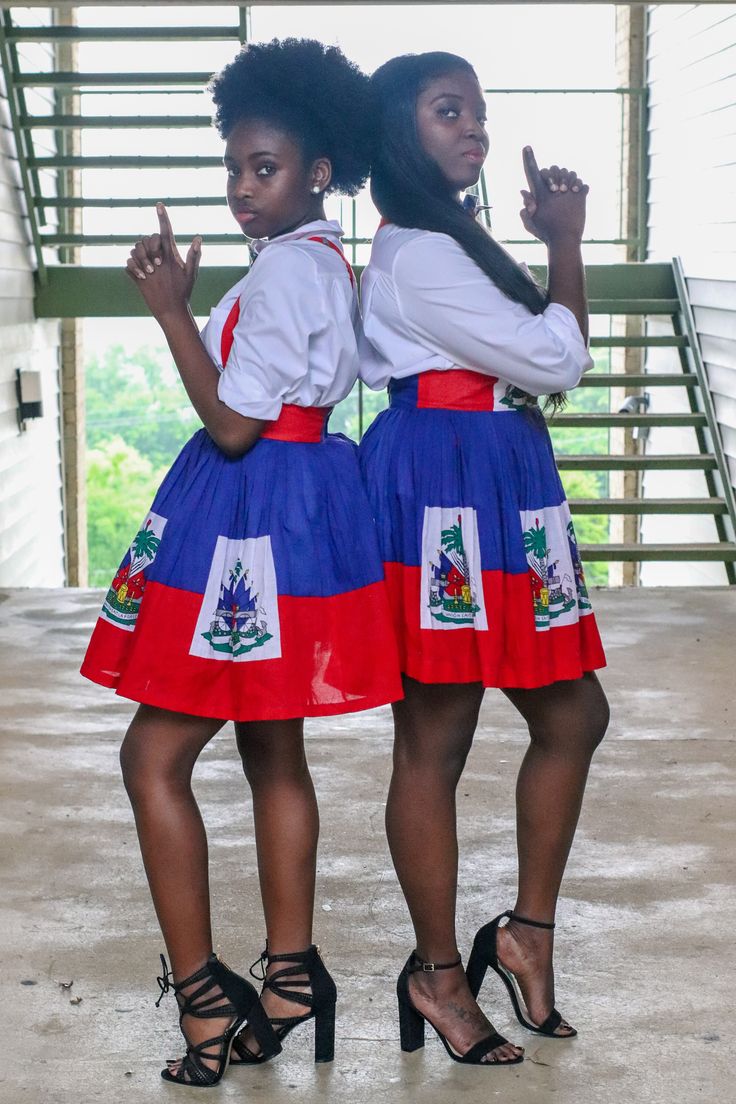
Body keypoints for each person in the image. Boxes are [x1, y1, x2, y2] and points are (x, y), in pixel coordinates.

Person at [80, 38, 402, 1087]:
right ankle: (292, 972)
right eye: (232, 170)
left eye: (262, 168)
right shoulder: (321, 262)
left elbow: (227, 425)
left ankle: (204, 1001)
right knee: (273, 750)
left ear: (315, 170)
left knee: (151, 757)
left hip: (250, 513)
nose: (240, 190)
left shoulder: (278, 277)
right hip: (298, 507)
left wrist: (172, 309)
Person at [358, 51, 609, 1067]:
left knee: (574, 714)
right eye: (447, 111)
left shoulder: (454, 240)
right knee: (436, 740)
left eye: (479, 113)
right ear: (398, 133)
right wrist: (567, 244)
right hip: (441, 489)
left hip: (500, 476)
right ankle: (435, 973)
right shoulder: (418, 249)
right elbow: (558, 356)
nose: (474, 130)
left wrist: (548, 247)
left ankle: (523, 935)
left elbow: (545, 369)